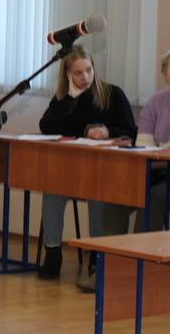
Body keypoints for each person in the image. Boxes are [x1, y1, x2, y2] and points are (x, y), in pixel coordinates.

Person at [36, 43, 136, 287]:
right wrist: (69, 98)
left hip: (104, 172)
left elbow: (131, 132)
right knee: (52, 191)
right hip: (71, 171)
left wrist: (108, 131)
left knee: (97, 196)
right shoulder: (64, 99)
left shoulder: (113, 94)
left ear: (94, 69)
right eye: (78, 73)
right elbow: (46, 128)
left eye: (89, 70)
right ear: (68, 74)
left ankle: (97, 257)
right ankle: (53, 253)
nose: (85, 77)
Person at [133, 48, 170, 232]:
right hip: (156, 172)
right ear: (165, 75)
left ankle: (142, 250)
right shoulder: (154, 102)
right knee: (117, 195)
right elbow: (143, 149)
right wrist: (163, 158)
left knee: (153, 197)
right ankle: (109, 250)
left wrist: (160, 159)